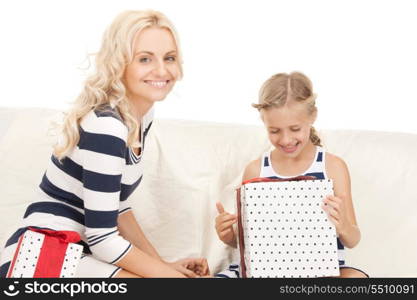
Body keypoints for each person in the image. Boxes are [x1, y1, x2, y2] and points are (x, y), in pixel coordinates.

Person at [0, 10, 209, 278]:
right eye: (145, 59)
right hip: (37, 258)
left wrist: (162, 266)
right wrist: (169, 279)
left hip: (75, 253)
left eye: (169, 58)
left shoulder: (140, 117)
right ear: (119, 63)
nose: (162, 70)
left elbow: (118, 208)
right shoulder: (107, 126)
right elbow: (102, 238)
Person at [215, 72, 368, 278]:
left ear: (312, 117)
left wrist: (343, 226)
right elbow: (249, 243)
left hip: (320, 273)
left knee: (356, 278)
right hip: (262, 273)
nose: (286, 139)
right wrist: (229, 236)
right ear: (264, 122)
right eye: (275, 131)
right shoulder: (256, 170)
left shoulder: (332, 167)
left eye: (295, 129)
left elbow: (353, 239)